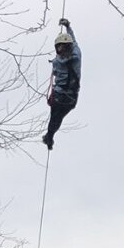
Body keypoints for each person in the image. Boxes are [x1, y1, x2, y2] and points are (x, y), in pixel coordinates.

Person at [42, 18, 81, 150]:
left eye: (63, 47)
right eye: (59, 48)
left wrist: (68, 26)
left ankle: (49, 136)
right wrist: (67, 27)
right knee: (55, 118)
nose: (61, 50)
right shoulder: (57, 61)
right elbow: (72, 39)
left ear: (68, 47)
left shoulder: (75, 56)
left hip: (70, 96)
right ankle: (49, 137)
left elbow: (73, 39)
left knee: (58, 118)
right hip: (59, 94)